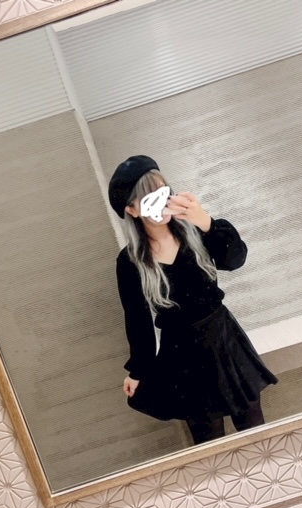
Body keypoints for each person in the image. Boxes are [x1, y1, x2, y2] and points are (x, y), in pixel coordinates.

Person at [109, 155, 278, 445]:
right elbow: (137, 320)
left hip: (224, 339)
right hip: (183, 354)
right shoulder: (131, 261)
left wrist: (207, 222)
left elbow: (234, 260)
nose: (161, 203)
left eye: (163, 193)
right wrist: (138, 371)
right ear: (132, 210)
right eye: (149, 199)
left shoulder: (195, 230)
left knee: (253, 426)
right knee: (208, 439)